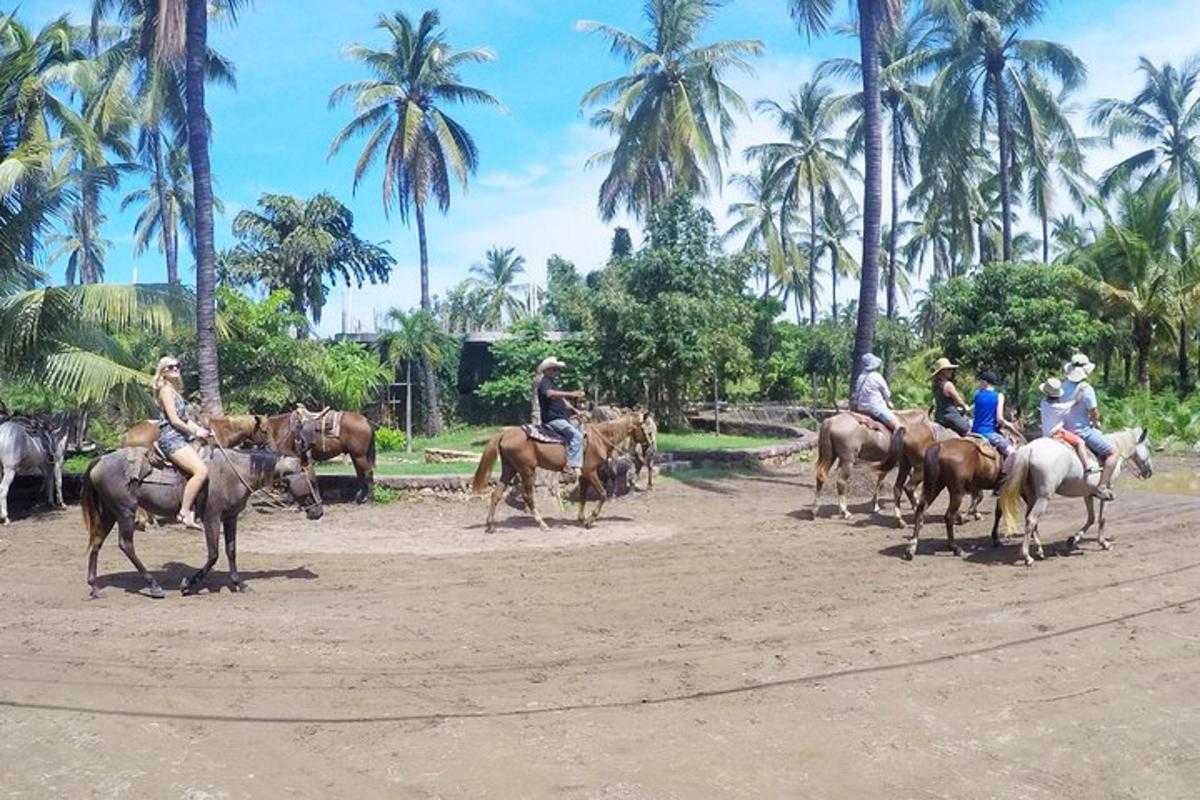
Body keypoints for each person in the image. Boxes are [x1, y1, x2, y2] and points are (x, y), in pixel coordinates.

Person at [154, 357, 211, 529]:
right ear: (163, 372)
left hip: (182, 437)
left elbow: (186, 420)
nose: (175, 369)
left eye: (177, 366)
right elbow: (174, 420)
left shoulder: (175, 391)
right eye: (170, 367)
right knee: (201, 471)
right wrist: (195, 432)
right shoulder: (165, 390)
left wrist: (202, 431)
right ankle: (184, 512)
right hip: (171, 438)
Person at [1039, 377, 1113, 500]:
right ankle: (1087, 466)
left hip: (1045, 434)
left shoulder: (1043, 403)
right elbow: (1074, 403)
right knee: (1080, 442)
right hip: (1058, 433)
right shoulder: (1059, 407)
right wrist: (1078, 397)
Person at [1060, 352, 1119, 499]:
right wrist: (1095, 421)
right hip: (1082, 431)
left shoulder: (1062, 385)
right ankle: (1102, 486)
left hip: (1063, 430)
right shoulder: (1086, 389)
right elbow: (1093, 412)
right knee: (1114, 452)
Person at [536, 357, 586, 479]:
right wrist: (571, 394)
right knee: (576, 436)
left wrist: (575, 411)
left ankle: (576, 456)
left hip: (562, 418)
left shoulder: (553, 383)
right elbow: (550, 394)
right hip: (553, 420)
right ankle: (572, 466)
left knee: (581, 427)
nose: (557, 372)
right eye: (555, 369)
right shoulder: (545, 382)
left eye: (558, 370)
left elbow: (562, 401)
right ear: (547, 370)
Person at [970, 371, 1022, 458]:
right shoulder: (999, 396)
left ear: (985, 382)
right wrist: (1009, 425)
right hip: (988, 433)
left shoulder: (977, 395)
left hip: (974, 432)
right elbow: (999, 419)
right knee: (1012, 453)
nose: (979, 384)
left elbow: (974, 412)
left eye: (981, 381)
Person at [850, 353, 900, 432]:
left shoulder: (860, 377)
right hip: (876, 409)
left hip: (861, 408)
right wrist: (888, 402)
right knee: (899, 427)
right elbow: (887, 393)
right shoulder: (876, 376)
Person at [930, 357, 971, 435]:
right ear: (943, 371)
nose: (951, 371)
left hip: (939, 416)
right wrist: (966, 408)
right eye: (949, 369)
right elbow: (959, 402)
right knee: (968, 430)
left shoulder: (935, 385)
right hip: (950, 416)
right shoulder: (948, 385)